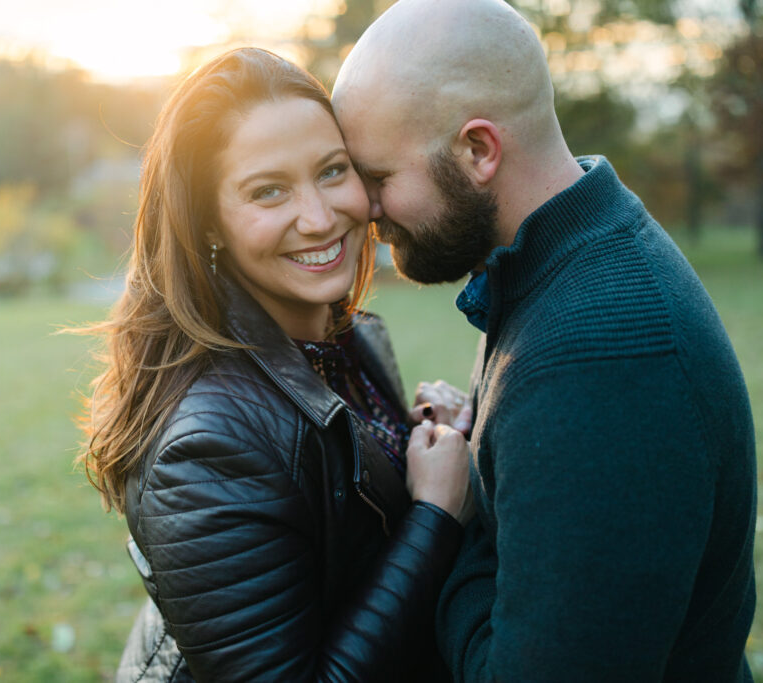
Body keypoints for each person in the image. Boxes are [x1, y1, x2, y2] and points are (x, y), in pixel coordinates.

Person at [331, 1, 758, 681]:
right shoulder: (561, 254)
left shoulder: (598, 362)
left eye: (378, 177)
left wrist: (450, 515)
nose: (365, 208)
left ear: (477, 150)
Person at [73, 47, 473, 682]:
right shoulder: (205, 446)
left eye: (332, 171)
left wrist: (430, 436)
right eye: (268, 191)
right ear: (209, 222)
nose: (318, 218)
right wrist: (435, 516)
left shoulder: (346, 340)